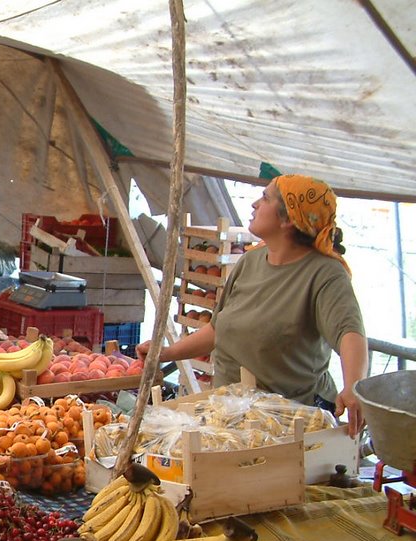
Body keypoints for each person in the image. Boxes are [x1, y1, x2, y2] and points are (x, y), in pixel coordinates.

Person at [136, 174, 368, 437]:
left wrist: (353, 386)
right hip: (229, 415)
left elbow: (349, 333)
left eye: (266, 198)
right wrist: (165, 353)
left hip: (288, 423)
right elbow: (217, 329)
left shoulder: (325, 274)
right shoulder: (249, 262)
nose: (255, 204)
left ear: (289, 219)